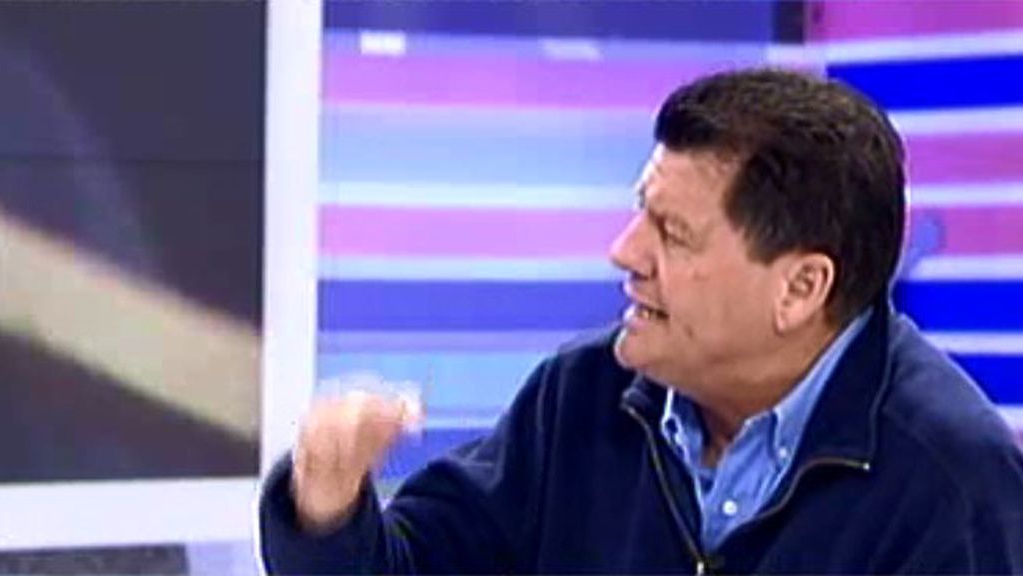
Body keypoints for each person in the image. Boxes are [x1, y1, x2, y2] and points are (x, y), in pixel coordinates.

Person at [258, 68, 1023, 574]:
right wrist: (327, 506)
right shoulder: (584, 396)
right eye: (639, 214)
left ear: (800, 288)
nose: (624, 252)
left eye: (672, 233)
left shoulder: (953, 489)